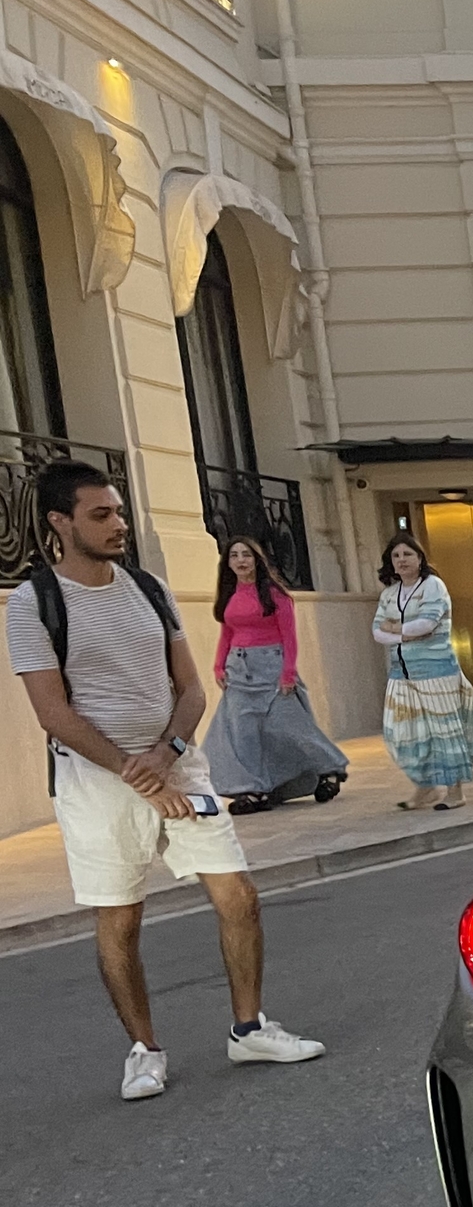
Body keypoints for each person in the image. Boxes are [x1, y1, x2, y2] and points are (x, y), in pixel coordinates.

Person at [6, 462, 326, 1099]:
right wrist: (141, 774)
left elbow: (189, 688)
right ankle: (144, 1050)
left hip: (179, 764)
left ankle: (249, 1029)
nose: (119, 524)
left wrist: (168, 752)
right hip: (99, 783)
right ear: (59, 523)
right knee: (120, 918)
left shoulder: (148, 589)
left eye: (119, 511)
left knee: (238, 895)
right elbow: (54, 714)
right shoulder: (33, 603)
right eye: (102, 515)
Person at [204, 537, 349, 814]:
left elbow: (289, 636)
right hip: (238, 672)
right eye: (234, 556)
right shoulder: (229, 593)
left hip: (271, 666)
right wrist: (218, 666)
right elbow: (227, 633)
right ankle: (255, 789)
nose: (241, 561)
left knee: (288, 727)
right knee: (243, 733)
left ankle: (329, 769)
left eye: (246, 555)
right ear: (228, 563)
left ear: (257, 559)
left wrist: (288, 673)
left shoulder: (275, 594)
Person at [374, 536, 473, 810]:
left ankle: (454, 791)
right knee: (405, 732)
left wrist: (396, 629)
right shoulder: (389, 594)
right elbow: (377, 631)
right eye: (396, 556)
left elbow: (426, 624)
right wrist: (403, 633)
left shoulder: (433, 587)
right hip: (402, 673)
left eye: (407, 554)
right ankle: (425, 787)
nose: (401, 560)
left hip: (436, 670)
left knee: (444, 731)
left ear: (420, 558)